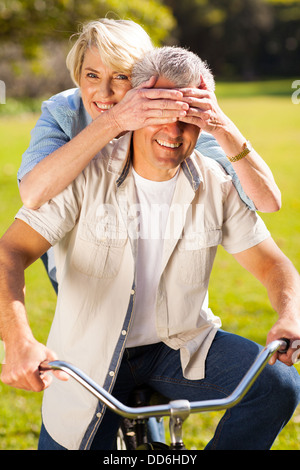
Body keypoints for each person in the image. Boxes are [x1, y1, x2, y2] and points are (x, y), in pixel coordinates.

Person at [1, 46, 299, 451]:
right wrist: (18, 342)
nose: (173, 133)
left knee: (276, 384)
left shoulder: (213, 181)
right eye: (159, 113)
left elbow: (272, 263)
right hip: (86, 359)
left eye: (188, 119)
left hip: (181, 346)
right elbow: (10, 252)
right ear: (136, 110)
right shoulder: (83, 173)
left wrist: (290, 315)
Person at [16, 18, 281, 292]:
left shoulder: (171, 126)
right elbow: (33, 193)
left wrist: (224, 127)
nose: (104, 93)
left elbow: (266, 201)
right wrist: (114, 122)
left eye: (121, 76)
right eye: (92, 75)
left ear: (146, 81)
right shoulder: (64, 111)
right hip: (71, 259)